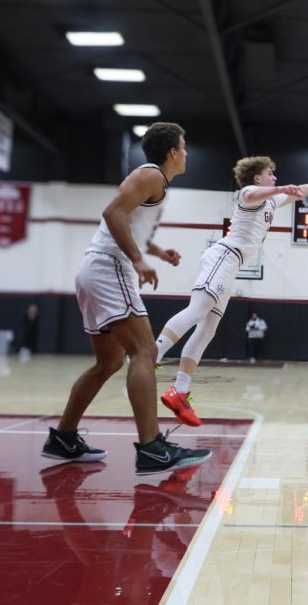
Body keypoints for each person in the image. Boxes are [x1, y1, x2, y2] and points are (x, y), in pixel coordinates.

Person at [42, 122, 212, 476]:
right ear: (173, 153)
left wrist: (155, 250)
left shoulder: (155, 184)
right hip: (108, 269)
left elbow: (127, 224)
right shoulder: (150, 176)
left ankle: (64, 437)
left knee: (108, 363)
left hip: (94, 270)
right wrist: (137, 259)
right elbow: (112, 213)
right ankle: (151, 448)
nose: (187, 152)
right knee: (145, 353)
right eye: (184, 146)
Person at [153, 157, 308, 425]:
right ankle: (153, 354)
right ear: (257, 177)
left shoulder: (272, 201)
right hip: (223, 256)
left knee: (208, 329)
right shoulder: (247, 194)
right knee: (196, 311)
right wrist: (281, 189)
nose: (274, 177)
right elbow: (254, 193)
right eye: (270, 174)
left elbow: (306, 188)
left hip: (232, 266)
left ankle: (180, 392)